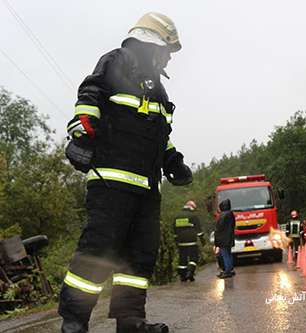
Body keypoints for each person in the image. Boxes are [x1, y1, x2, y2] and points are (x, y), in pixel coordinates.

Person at [60, 12, 192, 333]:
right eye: (166, 51)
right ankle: (74, 321)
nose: (168, 59)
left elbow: (160, 133)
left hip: (147, 189)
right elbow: (89, 95)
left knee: (138, 257)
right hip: (111, 180)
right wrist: (82, 131)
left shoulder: (158, 89)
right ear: (153, 43)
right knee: (98, 251)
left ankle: (130, 320)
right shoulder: (117, 61)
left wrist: (173, 162)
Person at [173, 200, 205, 282]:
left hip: (181, 241)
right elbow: (199, 231)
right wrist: (202, 240)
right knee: (194, 257)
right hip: (191, 240)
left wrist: (176, 241)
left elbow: (174, 230)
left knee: (182, 259)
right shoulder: (193, 216)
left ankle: (182, 276)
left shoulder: (177, 216)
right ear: (192, 207)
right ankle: (190, 273)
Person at [214, 199, 235, 279]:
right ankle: (230, 270)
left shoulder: (223, 215)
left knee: (225, 255)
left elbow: (219, 228)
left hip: (223, 239)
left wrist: (216, 240)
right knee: (229, 254)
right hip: (229, 238)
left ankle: (227, 271)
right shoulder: (230, 214)